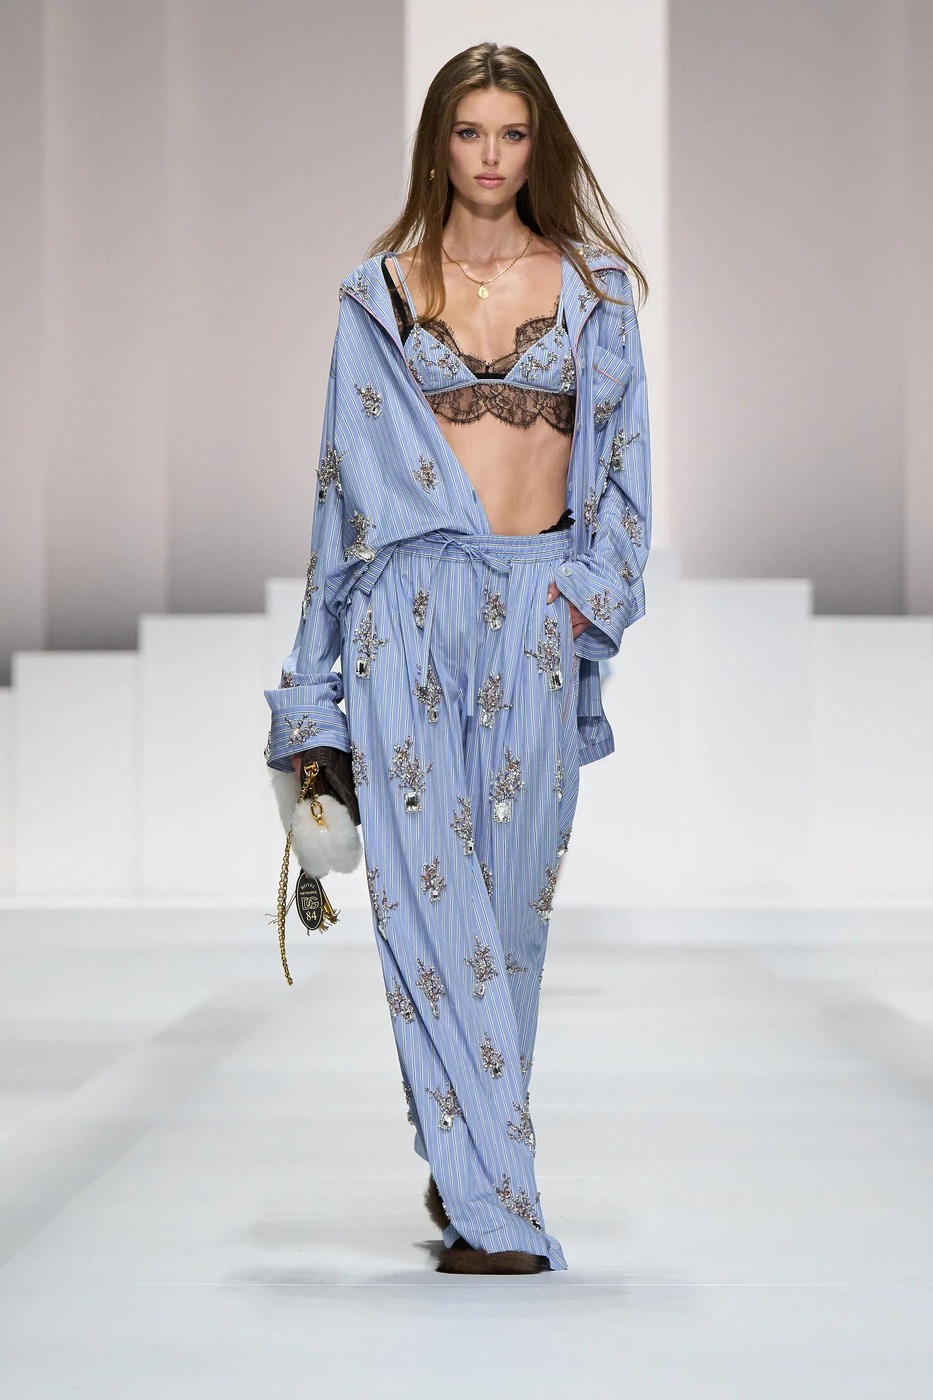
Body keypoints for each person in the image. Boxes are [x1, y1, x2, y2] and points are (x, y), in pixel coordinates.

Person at [263, 40, 651, 1274]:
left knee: (508, 912)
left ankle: (467, 1145)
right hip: (406, 620)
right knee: (427, 906)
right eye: (470, 131)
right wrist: (314, 698)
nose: (491, 156)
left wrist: (587, 604)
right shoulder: (376, 294)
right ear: (438, 143)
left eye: (512, 133)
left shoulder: (593, 291)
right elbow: (338, 496)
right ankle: (496, 1206)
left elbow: (625, 471)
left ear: (540, 147)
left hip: (535, 615)